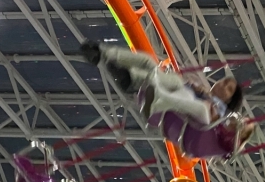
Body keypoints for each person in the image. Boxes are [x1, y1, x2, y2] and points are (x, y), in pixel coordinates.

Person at [80, 40, 245, 126]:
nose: (223, 85)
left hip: (180, 99)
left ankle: (131, 78)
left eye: (228, 88)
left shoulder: (222, 110)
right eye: (225, 81)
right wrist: (198, 90)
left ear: (229, 100)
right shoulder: (203, 91)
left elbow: (212, 117)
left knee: (174, 80)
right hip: (177, 91)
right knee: (147, 61)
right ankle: (103, 53)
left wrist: (205, 97)